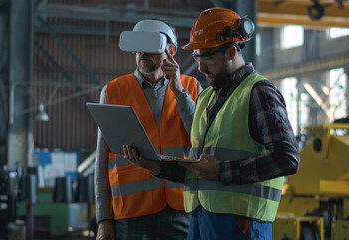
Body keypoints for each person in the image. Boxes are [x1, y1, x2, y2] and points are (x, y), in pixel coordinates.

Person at [123, 8, 300, 240]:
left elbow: (288, 158)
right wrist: (155, 166)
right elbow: (200, 169)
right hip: (201, 220)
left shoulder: (259, 92)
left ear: (230, 52)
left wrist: (222, 170)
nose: (200, 67)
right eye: (197, 57)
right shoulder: (207, 97)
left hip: (241, 223)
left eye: (207, 57)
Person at [95, 19, 203, 240]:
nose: (143, 52)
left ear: (170, 51)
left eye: (151, 45)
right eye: (139, 45)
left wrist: (180, 93)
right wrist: (103, 220)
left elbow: (201, 139)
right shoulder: (112, 91)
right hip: (131, 212)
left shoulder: (192, 87)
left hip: (181, 207)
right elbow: (102, 161)